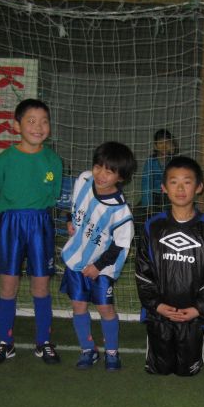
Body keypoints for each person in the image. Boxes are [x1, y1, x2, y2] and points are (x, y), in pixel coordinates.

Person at [0, 98, 63, 365]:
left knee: (41, 285)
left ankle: (43, 342)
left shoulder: (54, 161)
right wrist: (3, 224)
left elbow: (52, 198)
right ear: (17, 126)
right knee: (8, 285)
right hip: (11, 227)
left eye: (44, 121)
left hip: (40, 225)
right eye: (31, 121)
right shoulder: (5, 160)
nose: (38, 127)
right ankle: (5, 342)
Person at [135, 156, 204, 376]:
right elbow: (142, 271)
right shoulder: (153, 226)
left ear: (199, 187)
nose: (180, 188)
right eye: (174, 182)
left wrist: (198, 309)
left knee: (187, 372)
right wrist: (156, 305)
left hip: (192, 315)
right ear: (164, 188)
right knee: (160, 369)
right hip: (160, 313)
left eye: (187, 182)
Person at [61, 141, 136, 371]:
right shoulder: (84, 179)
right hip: (76, 259)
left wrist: (98, 266)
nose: (101, 174)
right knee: (78, 305)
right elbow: (75, 205)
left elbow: (120, 245)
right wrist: (69, 221)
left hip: (102, 267)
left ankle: (111, 352)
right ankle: (88, 350)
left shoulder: (120, 211)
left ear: (121, 177)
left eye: (109, 171)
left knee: (105, 309)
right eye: (98, 166)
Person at [140, 129, 178, 214]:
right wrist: (147, 204)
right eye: (160, 143)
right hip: (155, 196)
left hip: (170, 195)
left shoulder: (175, 161)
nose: (164, 146)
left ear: (171, 144)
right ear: (155, 146)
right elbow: (146, 184)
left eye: (167, 142)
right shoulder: (151, 161)